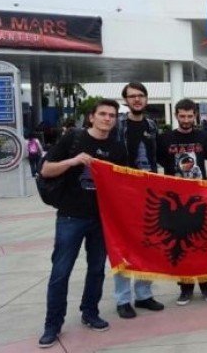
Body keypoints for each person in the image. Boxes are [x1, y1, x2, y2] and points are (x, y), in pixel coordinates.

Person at [37, 99, 128, 348]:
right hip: (70, 216)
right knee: (60, 272)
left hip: (102, 219)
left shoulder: (118, 148)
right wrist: (73, 161)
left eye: (112, 115)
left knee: (97, 269)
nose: (107, 118)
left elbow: (126, 183)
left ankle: (90, 312)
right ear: (92, 117)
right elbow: (46, 170)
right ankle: (52, 324)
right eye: (103, 114)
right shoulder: (72, 139)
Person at [157, 98, 207, 305]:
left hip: (200, 200)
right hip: (175, 202)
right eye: (182, 116)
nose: (186, 120)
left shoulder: (203, 137)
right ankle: (185, 288)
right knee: (180, 246)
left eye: (189, 116)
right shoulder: (164, 139)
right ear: (176, 116)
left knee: (202, 243)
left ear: (195, 116)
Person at [112, 82, 164, 319]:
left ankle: (143, 294)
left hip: (148, 193)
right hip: (123, 193)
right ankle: (123, 299)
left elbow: (158, 157)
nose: (137, 100)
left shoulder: (152, 125)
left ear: (146, 99)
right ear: (125, 100)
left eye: (140, 96)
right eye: (132, 96)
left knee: (149, 244)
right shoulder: (116, 124)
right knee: (122, 246)